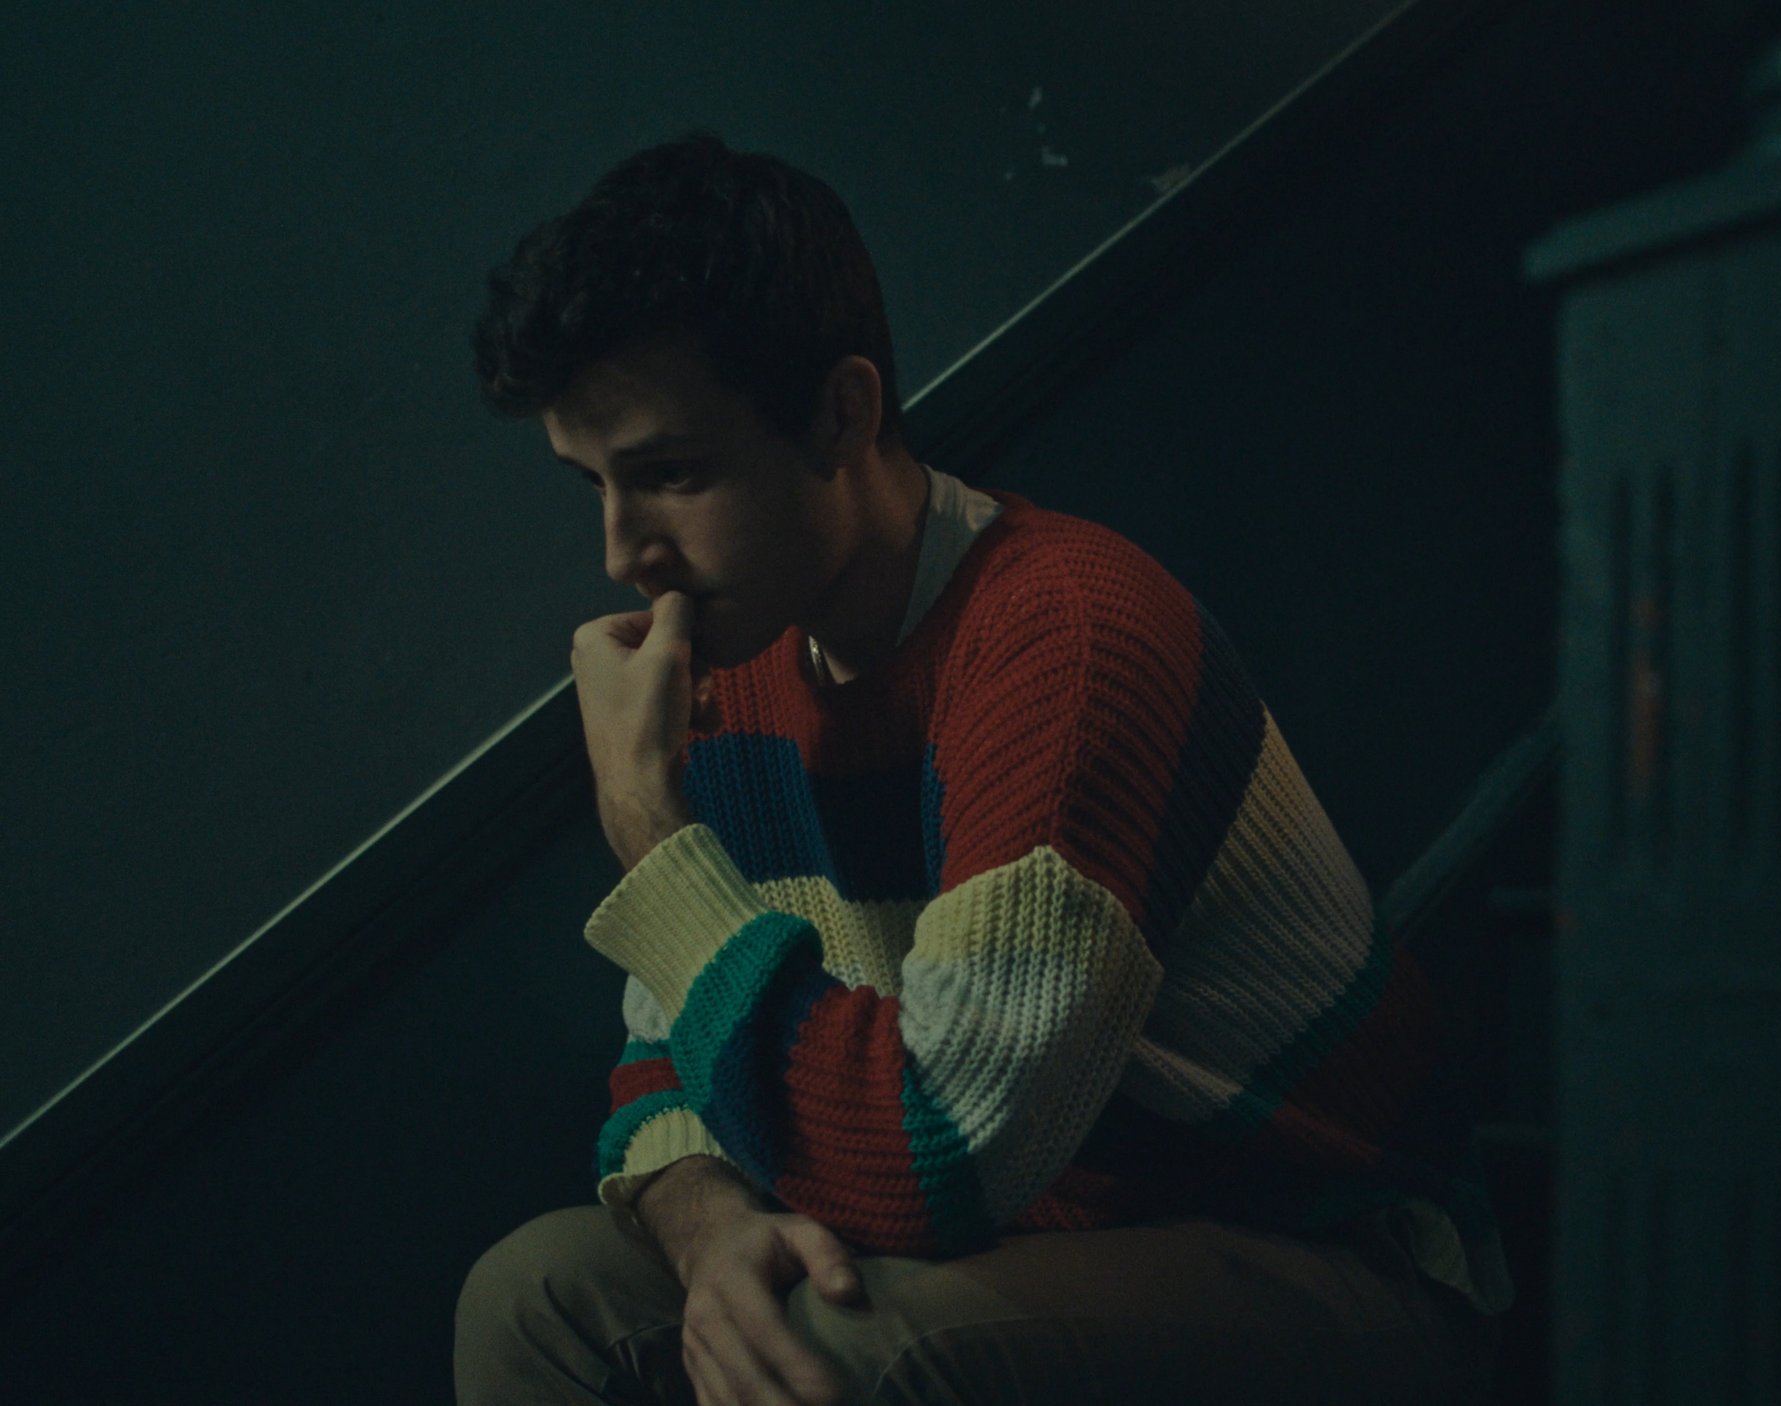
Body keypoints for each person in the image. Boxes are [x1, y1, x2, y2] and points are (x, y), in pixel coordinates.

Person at [451, 129, 1510, 1406]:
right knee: (535, 1298)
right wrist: (712, 1223)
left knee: (858, 1353)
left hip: (1318, 1241)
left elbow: (932, 1154)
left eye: (672, 474)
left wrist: (650, 831)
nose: (625, 551)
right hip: (1019, 1225)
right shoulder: (728, 674)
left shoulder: (1063, 638)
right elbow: (663, 1065)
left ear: (843, 409)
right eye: (595, 485)